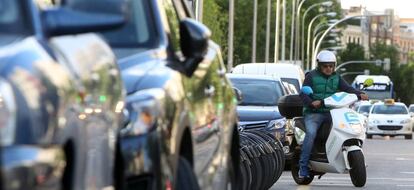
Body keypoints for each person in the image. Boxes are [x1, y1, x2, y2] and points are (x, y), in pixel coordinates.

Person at [298, 50, 368, 179]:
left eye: (331, 66)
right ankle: (303, 167)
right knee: (311, 133)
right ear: (319, 65)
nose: (328, 68)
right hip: (314, 112)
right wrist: (312, 102)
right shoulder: (311, 76)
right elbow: (302, 93)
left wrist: (359, 94)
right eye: (325, 66)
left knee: (343, 128)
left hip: (332, 112)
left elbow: (347, 89)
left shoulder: (336, 77)